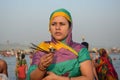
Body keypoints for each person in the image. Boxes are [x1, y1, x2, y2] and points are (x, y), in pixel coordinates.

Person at [27, 8, 94, 80]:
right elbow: (32, 78)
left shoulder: (80, 50)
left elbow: (88, 78)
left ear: (70, 27)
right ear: (49, 28)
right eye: (53, 24)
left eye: (62, 24)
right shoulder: (42, 48)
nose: (57, 27)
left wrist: (58, 78)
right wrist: (41, 67)